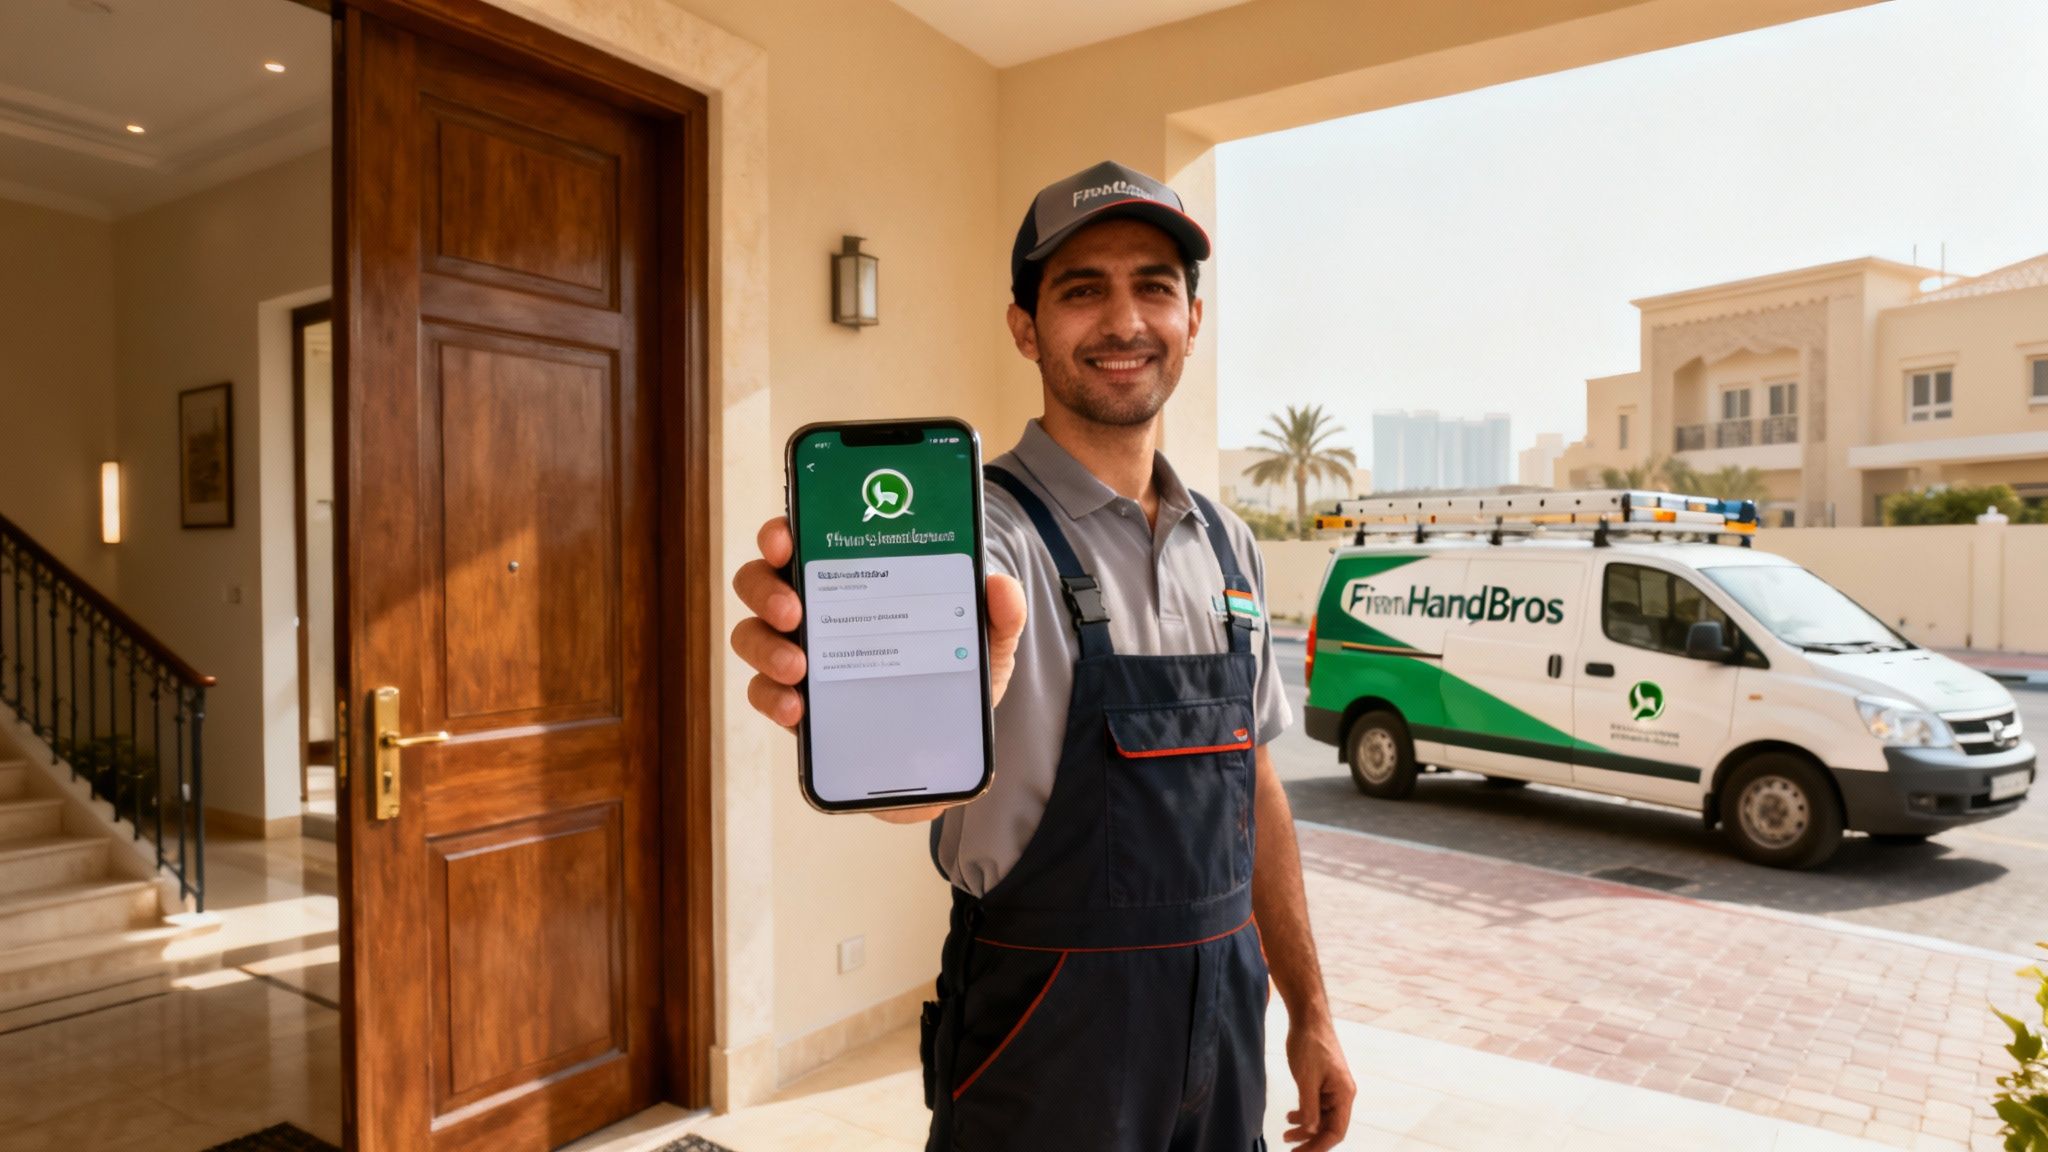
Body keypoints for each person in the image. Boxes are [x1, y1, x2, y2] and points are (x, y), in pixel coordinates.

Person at [730, 160, 1355, 1151]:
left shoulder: (1228, 543)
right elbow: (910, 793)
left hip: (1227, 1019)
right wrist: (898, 725)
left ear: (1192, 319)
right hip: (1045, 1031)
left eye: (1152, 285)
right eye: (1079, 289)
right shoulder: (983, 533)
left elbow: (1257, 784)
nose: (1122, 320)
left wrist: (1310, 1011)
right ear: (1025, 327)